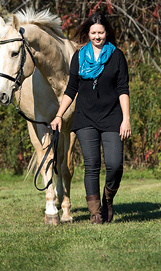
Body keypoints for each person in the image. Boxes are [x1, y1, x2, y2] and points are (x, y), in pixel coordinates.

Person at [51, 11, 131, 224]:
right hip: (85, 117)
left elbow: (123, 89)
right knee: (92, 164)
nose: (97, 36)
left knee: (115, 165)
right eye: (93, 33)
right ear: (88, 33)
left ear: (107, 33)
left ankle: (107, 200)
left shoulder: (117, 56)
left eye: (101, 32)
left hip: (112, 116)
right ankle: (95, 213)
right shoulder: (79, 56)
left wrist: (126, 118)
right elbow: (71, 88)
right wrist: (59, 115)